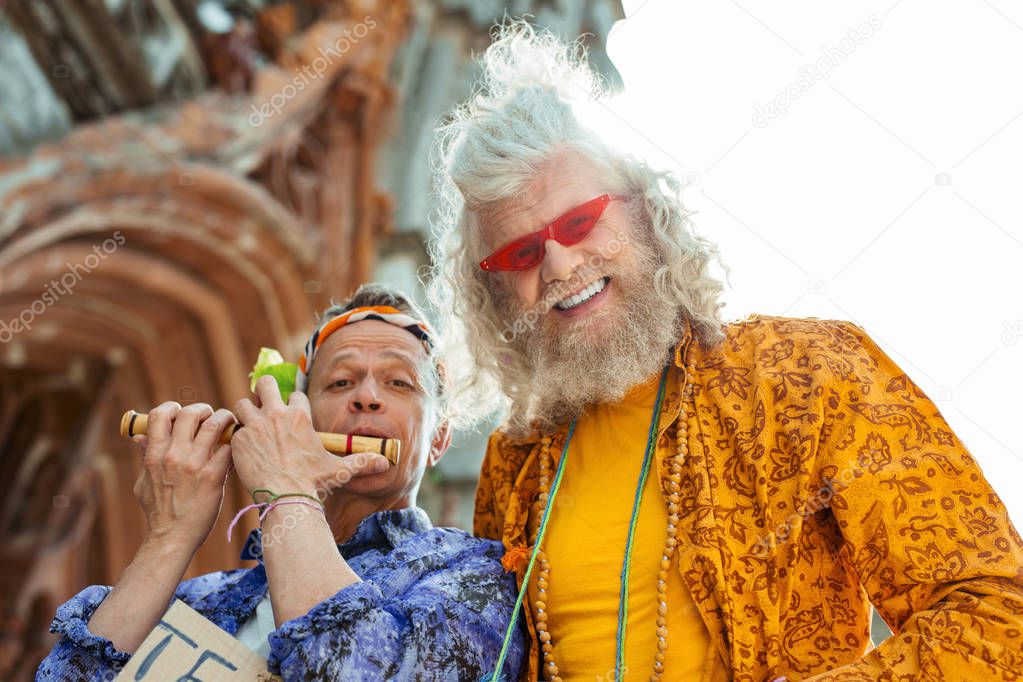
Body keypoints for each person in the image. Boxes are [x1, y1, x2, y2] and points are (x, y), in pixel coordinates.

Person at [427, 21, 1023, 681]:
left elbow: (995, 616)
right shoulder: (515, 459)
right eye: (521, 252)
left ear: (646, 212)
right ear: (496, 294)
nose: (561, 262)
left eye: (579, 221)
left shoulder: (810, 372)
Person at [36, 284, 524, 681]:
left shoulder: (477, 578)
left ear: (438, 439)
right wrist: (170, 535)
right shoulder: (199, 599)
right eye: (340, 382)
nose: (367, 397)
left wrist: (289, 491)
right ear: (300, 418)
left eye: (399, 383)